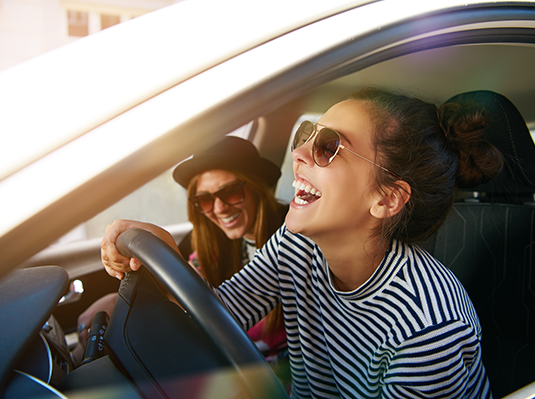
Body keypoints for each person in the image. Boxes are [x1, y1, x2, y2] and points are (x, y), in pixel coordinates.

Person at [102, 87, 503, 398]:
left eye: (328, 146)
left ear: (386, 198)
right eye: (306, 134)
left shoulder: (428, 327)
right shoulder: (299, 247)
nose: (298, 153)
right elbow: (218, 316)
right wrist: (163, 254)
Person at [80, 137, 290, 388]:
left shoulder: (291, 240)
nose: (219, 208)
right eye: (205, 200)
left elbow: (231, 313)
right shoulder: (212, 240)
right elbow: (194, 299)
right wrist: (116, 300)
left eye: (231, 191)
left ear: (257, 187)